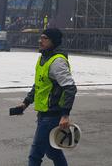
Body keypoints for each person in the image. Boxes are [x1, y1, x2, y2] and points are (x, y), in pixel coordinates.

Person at [17, 28, 77, 166]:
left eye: (45, 38)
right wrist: (26, 102)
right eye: (41, 37)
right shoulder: (43, 58)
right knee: (52, 151)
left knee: (35, 154)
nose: (40, 40)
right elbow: (39, 84)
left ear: (54, 41)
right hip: (44, 114)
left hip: (52, 115)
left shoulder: (57, 62)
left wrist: (65, 115)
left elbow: (70, 88)